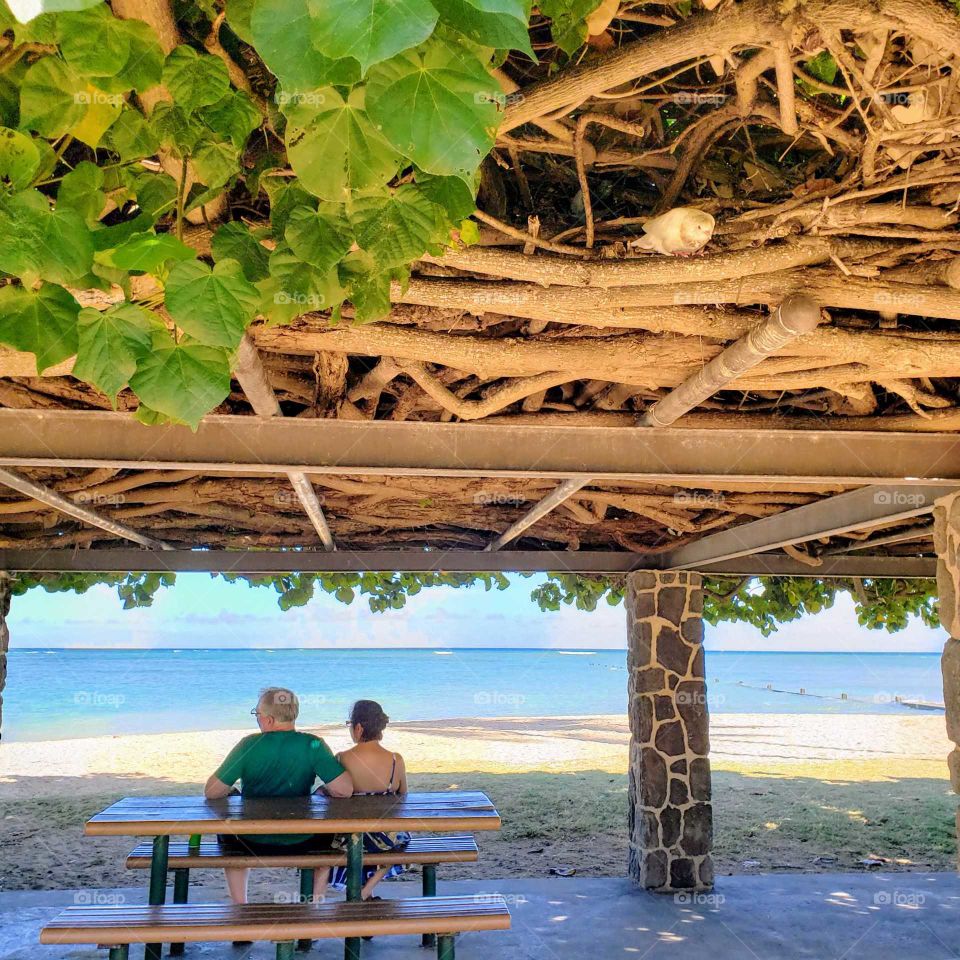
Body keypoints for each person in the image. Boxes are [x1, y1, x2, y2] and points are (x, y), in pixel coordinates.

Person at [204, 687, 353, 906]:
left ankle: (240, 906)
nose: (258, 719)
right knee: (328, 843)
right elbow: (345, 790)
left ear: (270, 720)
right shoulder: (313, 744)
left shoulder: (248, 745)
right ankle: (313, 905)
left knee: (227, 834)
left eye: (258, 714)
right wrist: (322, 791)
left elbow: (211, 791)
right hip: (304, 840)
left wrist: (231, 791)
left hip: (249, 840)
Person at [327, 699, 409, 901]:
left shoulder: (341, 758)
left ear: (358, 727)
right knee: (403, 840)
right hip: (383, 838)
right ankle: (366, 891)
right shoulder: (394, 760)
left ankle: (362, 893)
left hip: (348, 838)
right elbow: (403, 795)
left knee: (356, 839)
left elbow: (333, 795)